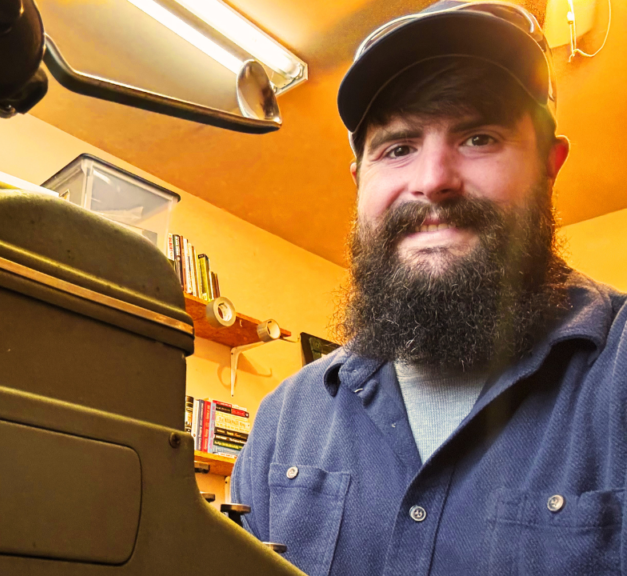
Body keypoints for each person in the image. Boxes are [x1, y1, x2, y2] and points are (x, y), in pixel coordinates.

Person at [231, 2, 626, 575]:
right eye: (398, 148)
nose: (433, 180)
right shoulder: (280, 425)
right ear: (359, 183)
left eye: (479, 137)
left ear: (549, 163)